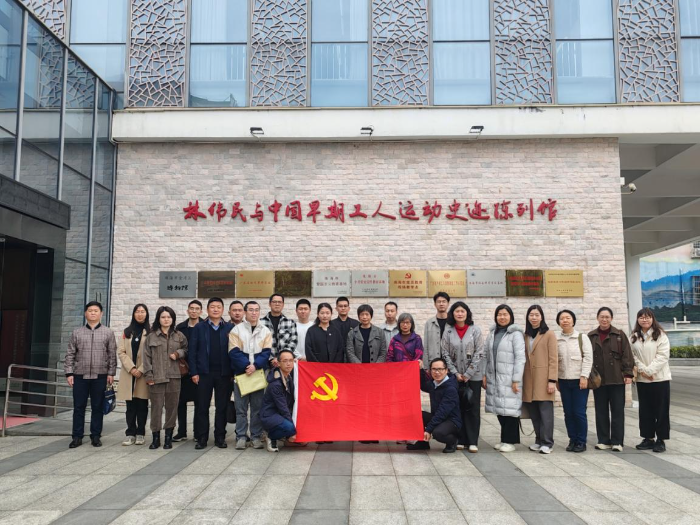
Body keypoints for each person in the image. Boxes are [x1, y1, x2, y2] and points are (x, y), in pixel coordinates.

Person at [64, 301, 117, 449]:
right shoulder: (77, 332)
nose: (93, 313)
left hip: (100, 375)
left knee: (97, 407)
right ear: (85, 313)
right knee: (78, 407)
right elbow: (70, 354)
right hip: (80, 375)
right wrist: (69, 372)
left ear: (101, 314)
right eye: (90, 310)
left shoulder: (108, 332)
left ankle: (96, 436)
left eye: (96, 310)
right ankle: (77, 436)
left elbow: (112, 354)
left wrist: (111, 373)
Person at [188, 297, 233, 450]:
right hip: (203, 373)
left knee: (222, 407)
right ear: (207, 310)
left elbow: (234, 351)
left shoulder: (229, 328)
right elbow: (192, 351)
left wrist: (232, 372)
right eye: (212, 307)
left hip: (224, 374)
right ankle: (202, 438)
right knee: (202, 406)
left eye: (218, 307)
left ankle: (220, 437)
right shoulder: (199, 327)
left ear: (223, 310)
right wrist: (194, 372)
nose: (215, 309)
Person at [588, 307, 634, 452]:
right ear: (597, 318)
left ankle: (617, 442)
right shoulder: (591, 336)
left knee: (617, 411)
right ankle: (603, 440)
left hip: (617, 379)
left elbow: (627, 354)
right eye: (602, 317)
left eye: (607, 317)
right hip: (599, 380)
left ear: (611, 318)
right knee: (600, 411)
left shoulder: (619, 335)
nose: (604, 319)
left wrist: (628, 374)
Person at [229, 301, 272, 450]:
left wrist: (255, 366)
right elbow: (233, 352)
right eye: (251, 310)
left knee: (257, 408)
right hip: (241, 374)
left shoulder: (265, 331)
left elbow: (266, 352)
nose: (254, 313)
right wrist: (247, 366)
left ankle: (255, 436)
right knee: (240, 408)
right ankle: (241, 436)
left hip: (258, 373)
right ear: (245, 312)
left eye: (256, 310)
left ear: (259, 312)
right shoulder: (236, 330)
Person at [441, 302, 484, 453]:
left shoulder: (475, 330)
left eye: (462, 311)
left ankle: (472, 441)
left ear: (467, 313)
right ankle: (461, 439)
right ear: (452, 314)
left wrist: (467, 374)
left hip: (473, 377)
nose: (460, 314)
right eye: (457, 311)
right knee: (457, 408)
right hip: (455, 377)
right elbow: (445, 353)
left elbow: (479, 352)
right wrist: (455, 373)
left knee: (472, 408)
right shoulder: (448, 331)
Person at [143, 306, 188, 450]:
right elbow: (146, 358)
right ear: (158, 319)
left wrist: (178, 353)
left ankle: (168, 437)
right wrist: (149, 375)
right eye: (163, 317)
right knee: (156, 408)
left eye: (169, 317)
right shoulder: (151, 337)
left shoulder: (179, 336)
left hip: (174, 377)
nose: (166, 319)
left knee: (172, 408)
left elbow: (186, 349)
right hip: (156, 377)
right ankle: (155, 437)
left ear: (173, 319)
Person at [483, 304, 525, 453]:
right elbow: (485, 355)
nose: (502, 317)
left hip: (510, 378)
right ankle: (504, 439)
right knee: (500, 408)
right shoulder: (492, 333)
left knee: (510, 410)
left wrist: (516, 379)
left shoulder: (515, 334)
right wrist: (484, 374)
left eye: (505, 314)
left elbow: (520, 358)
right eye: (499, 314)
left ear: (511, 316)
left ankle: (510, 441)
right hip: (494, 377)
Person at [630, 308, 671, 453]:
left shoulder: (660, 335)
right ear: (638, 320)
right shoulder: (634, 336)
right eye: (641, 317)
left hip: (660, 379)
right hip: (642, 380)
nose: (644, 320)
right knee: (645, 410)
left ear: (652, 319)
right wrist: (643, 371)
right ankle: (648, 438)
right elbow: (632, 356)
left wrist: (649, 371)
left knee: (661, 410)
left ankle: (661, 440)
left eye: (647, 317)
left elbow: (663, 356)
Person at [555, 309, 592, 453]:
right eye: (562, 318)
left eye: (568, 318)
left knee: (579, 412)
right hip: (563, 381)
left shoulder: (582, 338)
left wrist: (584, 376)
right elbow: (555, 360)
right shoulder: (556, 339)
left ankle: (581, 441)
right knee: (568, 412)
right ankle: (572, 439)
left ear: (573, 320)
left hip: (579, 381)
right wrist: (556, 379)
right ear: (558, 322)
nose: (565, 320)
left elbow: (588, 358)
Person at [522, 305, 558, 455]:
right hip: (529, 379)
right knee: (534, 413)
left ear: (542, 317)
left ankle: (547, 442)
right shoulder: (526, 335)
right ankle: (538, 440)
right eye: (531, 315)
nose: (534, 317)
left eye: (537, 315)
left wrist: (552, 380)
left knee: (545, 413)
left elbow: (553, 359)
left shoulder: (549, 334)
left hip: (543, 379)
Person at [407, 357, 462, 453]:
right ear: (430, 370)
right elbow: (423, 385)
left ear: (446, 370)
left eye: (440, 369)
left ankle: (453, 441)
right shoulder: (434, 383)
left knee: (437, 433)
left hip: (452, 421)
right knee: (417, 415)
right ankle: (423, 443)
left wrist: (428, 430)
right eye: (434, 369)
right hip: (438, 417)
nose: (437, 372)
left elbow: (442, 412)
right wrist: (420, 369)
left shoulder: (450, 388)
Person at [117, 304, 150, 446]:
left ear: (146, 314)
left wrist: (141, 369)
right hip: (129, 373)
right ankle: (130, 433)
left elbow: (151, 353)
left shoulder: (150, 332)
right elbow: (121, 351)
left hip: (143, 373)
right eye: (137, 311)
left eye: (143, 311)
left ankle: (140, 433)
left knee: (142, 404)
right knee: (130, 406)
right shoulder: (127, 332)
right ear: (133, 314)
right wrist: (131, 368)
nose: (140, 314)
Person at [173, 300, 203, 442]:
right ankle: (182, 431)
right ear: (187, 310)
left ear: (201, 311)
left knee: (199, 403)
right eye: (192, 308)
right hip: (183, 370)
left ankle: (198, 433)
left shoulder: (204, 326)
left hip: (199, 370)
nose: (194, 311)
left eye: (197, 309)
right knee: (180, 402)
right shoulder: (180, 328)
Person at [260, 349, 297, 452]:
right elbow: (283, 407)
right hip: (270, 414)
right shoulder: (275, 383)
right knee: (290, 428)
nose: (288, 364)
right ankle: (271, 436)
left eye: (291, 360)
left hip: (280, 413)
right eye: (285, 361)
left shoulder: (288, 377)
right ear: (279, 363)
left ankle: (283, 434)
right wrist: (293, 431)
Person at [261, 294, 299, 364]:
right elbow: (259, 343)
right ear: (269, 304)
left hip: (285, 362)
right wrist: (271, 358)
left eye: (279, 302)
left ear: (283, 305)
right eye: (274, 302)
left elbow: (293, 342)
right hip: (266, 361)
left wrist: (281, 358)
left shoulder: (290, 323)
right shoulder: (260, 323)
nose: (277, 304)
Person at [423, 292, 450, 368]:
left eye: (444, 301)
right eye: (439, 302)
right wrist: (426, 366)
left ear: (448, 303)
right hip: (434, 364)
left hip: (450, 365)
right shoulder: (429, 323)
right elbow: (426, 346)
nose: (441, 304)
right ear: (435, 304)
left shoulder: (452, 323)